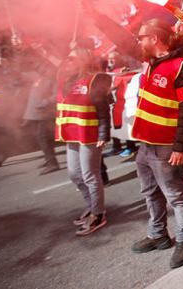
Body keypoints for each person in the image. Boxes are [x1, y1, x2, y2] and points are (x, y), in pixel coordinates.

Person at [130, 19, 183, 269]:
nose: (138, 41)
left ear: (154, 39)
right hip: (146, 144)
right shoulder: (152, 62)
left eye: (141, 37)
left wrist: (181, 147)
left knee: (176, 195)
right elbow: (120, 39)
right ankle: (158, 235)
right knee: (150, 192)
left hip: (167, 146)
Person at [55, 48, 111, 235]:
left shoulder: (95, 80)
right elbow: (50, 66)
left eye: (71, 58)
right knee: (74, 174)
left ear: (83, 61)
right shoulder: (66, 80)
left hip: (90, 135)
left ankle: (98, 214)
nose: (67, 61)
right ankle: (91, 205)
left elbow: (103, 111)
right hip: (72, 134)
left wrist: (103, 135)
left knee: (90, 175)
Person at [22, 59, 60, 174]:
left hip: (45, 115)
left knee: (43, 138)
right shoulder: (38, 79)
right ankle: (49, 159)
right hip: (36, 115)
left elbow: (56, 95)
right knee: (42, 139)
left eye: (42, 67)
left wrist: (45, 102)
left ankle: (52, 163)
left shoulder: (52, 81)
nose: (39, 69)